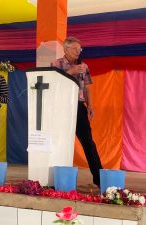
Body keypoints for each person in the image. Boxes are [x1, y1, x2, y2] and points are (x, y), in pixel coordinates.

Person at [52, 37, 103, 186]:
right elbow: (54, 83)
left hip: (79, 106)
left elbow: (86, 88)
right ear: (65, 49)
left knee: (88, 142)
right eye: (75, 49)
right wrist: (71, 71)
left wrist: (90, 106)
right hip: (61, 107)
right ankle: (56, 177)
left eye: (80, 49)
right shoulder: (56, 64)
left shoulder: (84, 66)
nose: (78, 52)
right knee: (59, 142)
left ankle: (99, 178)